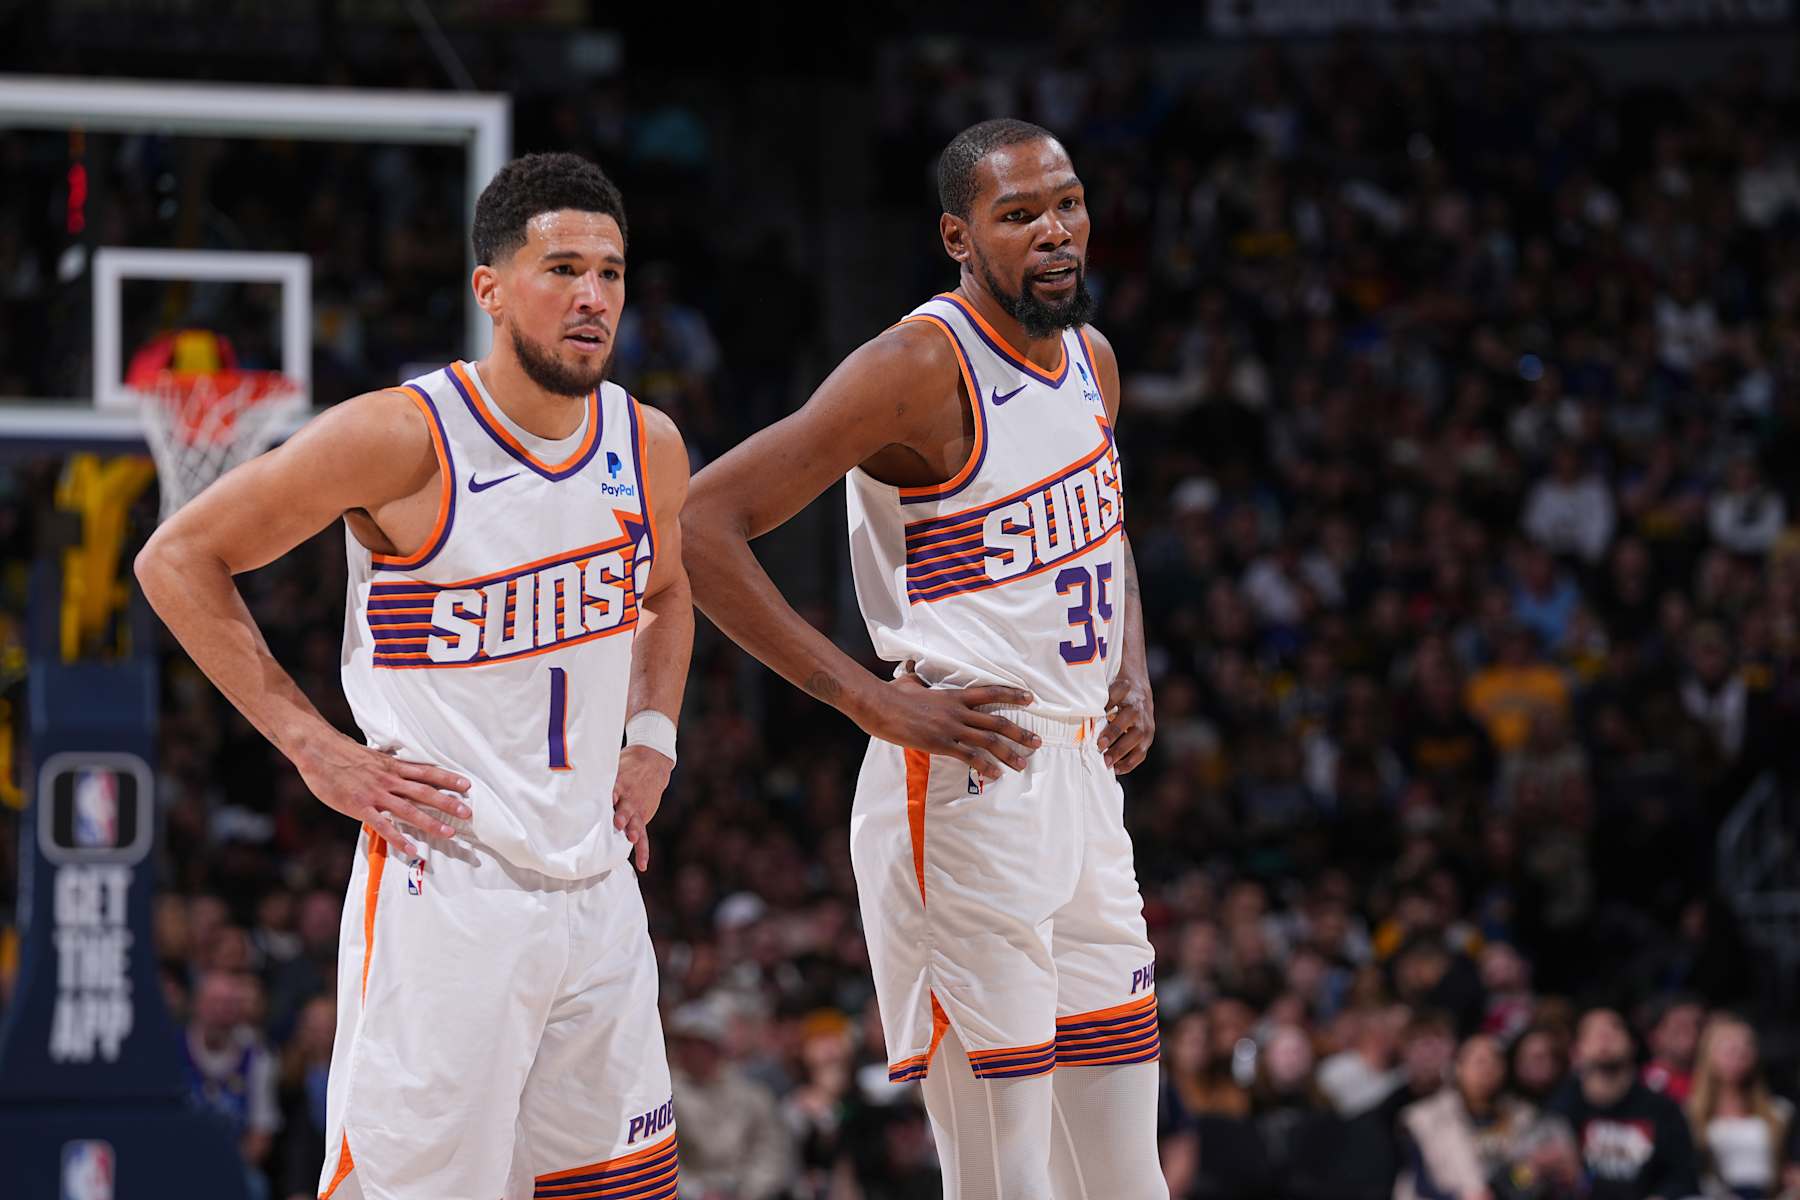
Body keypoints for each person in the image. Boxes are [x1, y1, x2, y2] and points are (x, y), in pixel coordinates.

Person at [137, 151, 693, 1200]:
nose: (592, 297)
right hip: (452, 886)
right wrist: (315, 749)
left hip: (600, 886)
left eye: (611, 273)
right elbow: (176, 559)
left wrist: (653, 738)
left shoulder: (645, 440)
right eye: (562, 267)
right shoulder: (404, 435)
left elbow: (666, 591)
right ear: (489, 287)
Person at [684, 117, 1165, 1197]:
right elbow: (702, 523)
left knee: (1127, 1174)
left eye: (1069, 204)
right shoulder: (913, 367)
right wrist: (865, 700)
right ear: (959, 235)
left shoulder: (1091, 359)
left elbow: (1106, 521)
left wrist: (1130, 665)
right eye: (1019, 214)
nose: (1055, 231)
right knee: (1009, 1181)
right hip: (967, 783)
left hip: (1083, 777)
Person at [1548, 1008, 1702, 1200]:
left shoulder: (1664, 1109)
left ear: (1633, 1044)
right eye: (1592, 1032)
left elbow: (1685, 1177)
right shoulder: (1558, 1109)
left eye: (1614, 1028)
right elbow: (1524, 1177)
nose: (1604, 1036)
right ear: (1576, 1052)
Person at [1685, 1015, 1796, 1199]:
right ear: (1708, 1055)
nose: (1740, 1055)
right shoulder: (1688, 1113)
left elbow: (1790, 1167)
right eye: (1729, 1049)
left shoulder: (1780, 1111)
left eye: (1747, 1047)